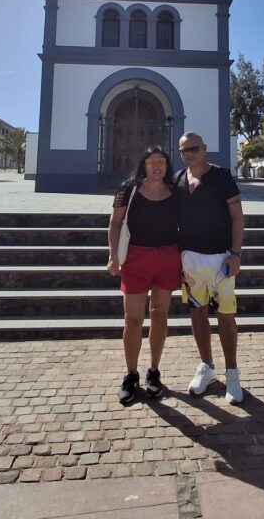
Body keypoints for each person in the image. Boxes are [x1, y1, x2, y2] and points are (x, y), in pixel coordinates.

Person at [173, 130, 246, 404]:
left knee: (226, 316)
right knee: (197, 313)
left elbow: (237, 217)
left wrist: (236, 253)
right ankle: (206, 366)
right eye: (183, 150)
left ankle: (232, 372)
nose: (188, 154)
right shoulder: (178, 179)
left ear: (204, 148)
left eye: (193, 148)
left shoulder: (221, 177)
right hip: (190, 260)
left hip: (220, 259)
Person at [106, 145, 182, 405]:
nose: (157, 166)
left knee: (160, 314)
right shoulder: (129, 188)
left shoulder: (176, 191)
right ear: (143, 165)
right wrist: (113, 255)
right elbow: (115, 222)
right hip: (137, 258)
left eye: (161, 161)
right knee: (133, 319)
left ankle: (153, 372)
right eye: (151, 162)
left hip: (168, 257)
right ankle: (131, 374)